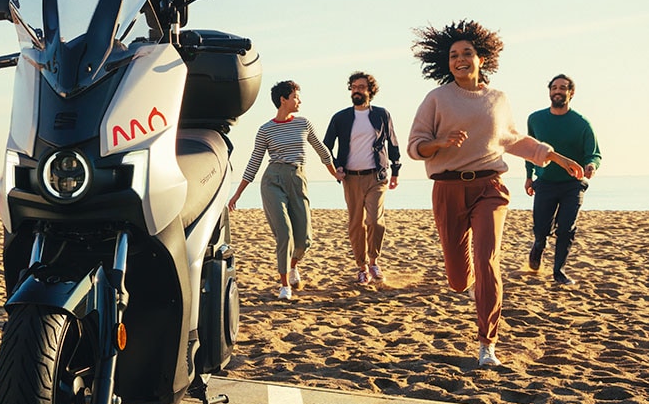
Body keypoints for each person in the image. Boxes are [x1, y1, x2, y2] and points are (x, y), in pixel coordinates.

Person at [407, 20, 583, 368]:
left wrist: (555, 156)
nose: (460, 59)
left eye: (467, 53)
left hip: (490, 187)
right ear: (447, 62)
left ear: (481, 59)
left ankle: (487, 343)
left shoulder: (497, 99)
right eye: (454, 55)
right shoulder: (436, 98)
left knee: (488, 260)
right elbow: (415, 146)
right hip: (447, 189)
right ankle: (469, 285)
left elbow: (514, 140)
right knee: (458, 278)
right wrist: (438, 144)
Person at [229, 80, 336, 301]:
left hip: (298, 179)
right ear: (283, 100)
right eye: (296, 96)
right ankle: (284, 284)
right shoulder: (265, 130)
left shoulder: (303, 124)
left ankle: (293, 266)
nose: (299, 101)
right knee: (285, 234)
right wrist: (237, 193)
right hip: (272, 181)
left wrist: (335, 174)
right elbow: (254, 162)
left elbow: (321, 150)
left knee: (304, 239)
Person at [323, 71, 402, 284]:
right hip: (351, 178)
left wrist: (396, 171)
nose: (356, 90)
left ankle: (374, 261)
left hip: (377, 176)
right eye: (354, 87)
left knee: (375, 221)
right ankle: (362, 266)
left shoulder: (381, 115)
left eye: (361, 87)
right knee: (356, 224)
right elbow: (326, 146)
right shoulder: (340, 117)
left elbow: (392, 144)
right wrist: (336, 167)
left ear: (370, 91)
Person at [525, 74, 601, 285]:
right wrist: (528, 177)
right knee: (541, 230)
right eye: (554, 87)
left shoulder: (581, 123)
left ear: (571, 93)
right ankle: (539, 245)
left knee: (566, 228)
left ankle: (559, 271)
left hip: (572, 185)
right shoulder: (535, 119)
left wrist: (591, 165)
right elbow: (530, 151)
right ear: (549, 91)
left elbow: (594, 153)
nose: (557, 91)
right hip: (545, 183)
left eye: (563, 88)